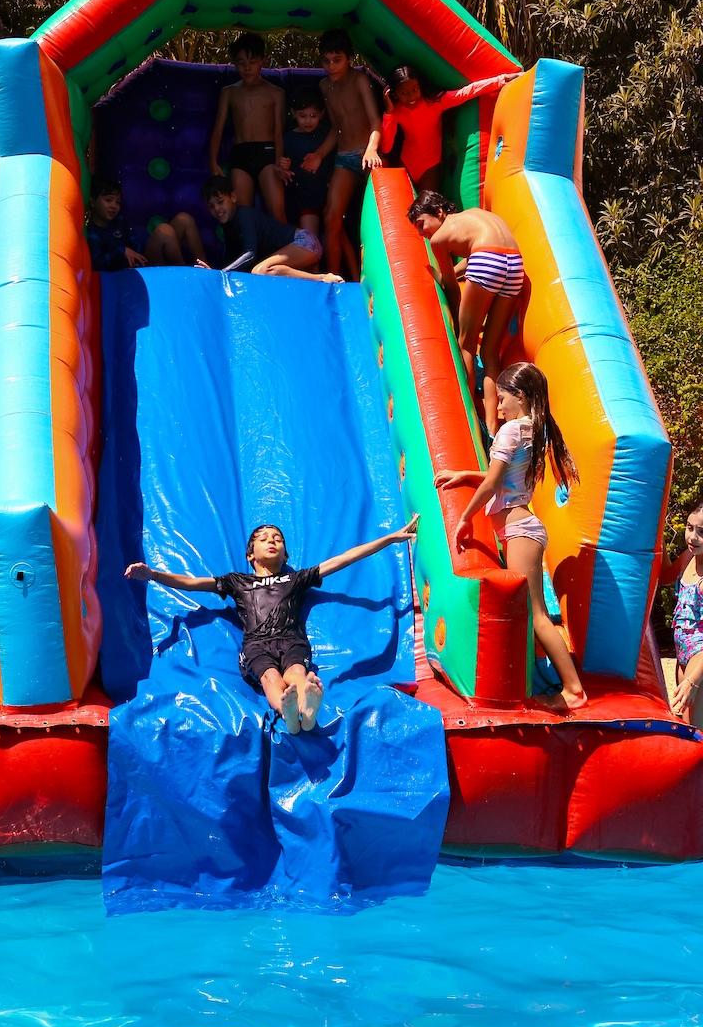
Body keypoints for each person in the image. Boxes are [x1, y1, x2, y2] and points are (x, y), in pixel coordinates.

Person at [125, 516, 419, 734]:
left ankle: (305, 709)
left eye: (278, 538)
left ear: (286, 555)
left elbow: (344, 559)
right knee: (269, 677)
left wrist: (389, 538)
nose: (272, 540)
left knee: (297, 672)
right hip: (256, 644)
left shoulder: (296, 578)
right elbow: (190, 583)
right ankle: (290, 713)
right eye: (264, 537)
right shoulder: (236, 582)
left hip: (292, 639)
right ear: (250, 554)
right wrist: (153, 574)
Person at [436, 362, 587, 713]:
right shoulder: (533, 429)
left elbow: (492, 483)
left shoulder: (509, 432)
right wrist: (466, 473)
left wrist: (464, 517)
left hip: (520, 530)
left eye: (502, 398)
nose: (498, 407)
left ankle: (574, 690)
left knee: (536, 615)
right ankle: (568, 685)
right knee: (533, 613)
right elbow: (502, 477)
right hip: (524, 527)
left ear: (520, 396)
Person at [409, 190, 523, 433]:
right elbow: (479, 256)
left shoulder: (438, 239)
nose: (422, 234)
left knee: (467, 346)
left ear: (439, 213)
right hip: (515, 263)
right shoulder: (475, 215)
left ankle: (470, 421)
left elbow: (451, 287)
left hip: (486, 261)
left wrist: (435, 277)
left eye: (421, 224)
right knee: (490, 351)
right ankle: (494, 428)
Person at [299, 30, 382, 281]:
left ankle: (375, 277)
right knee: (331, 216)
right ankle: (333, 276)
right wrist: (319, 155)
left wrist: (372, 148)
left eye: (337, 59)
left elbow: (376, 121)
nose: (331, 66)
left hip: (368, 155)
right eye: (326, 61)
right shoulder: (325, 86)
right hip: (345, 157)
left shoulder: (359, 80)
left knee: (373, 219)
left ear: (349, 58)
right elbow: (337, 129)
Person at [380, 64, 519, 193]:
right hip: (406, 162)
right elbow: (386, 147)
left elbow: (467, 92)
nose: (411, 97)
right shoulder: (397, 112)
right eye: (404, 93)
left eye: (415, 90)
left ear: (421, 87)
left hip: (430, 166)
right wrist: (389, 113)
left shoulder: (434, 103)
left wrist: (502, 80)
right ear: (394, 94)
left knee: (426, 206)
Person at [198, 175, 343, 282]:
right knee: (262, 270)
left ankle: (323, 278)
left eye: (220, 202)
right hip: (299, 249)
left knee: (261, 270)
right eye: (211, 206)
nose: (217, 209)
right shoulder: (228, 225)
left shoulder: (243, 215)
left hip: (304, 242)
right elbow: (231, 258)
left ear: (233, 197)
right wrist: (213, 272)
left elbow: (250, 253)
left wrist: (221, 273)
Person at [208, 32, 287, 222]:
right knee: (241, 214)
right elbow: (218, 129)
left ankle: (288, 251)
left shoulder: (275, 93)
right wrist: (213, 161)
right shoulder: (229, 92)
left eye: (252, 61)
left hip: (267, 152)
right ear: (234, 63)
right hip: (241, 153)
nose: (247, 68)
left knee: (277, 212)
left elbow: (279, 133)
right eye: (241, 62)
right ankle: (249, 252)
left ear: (263, 61)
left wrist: (278, 162)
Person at [87, 176, 207, 270]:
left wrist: (135, 254)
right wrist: (121, 252)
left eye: (117, 202)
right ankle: (184, 273)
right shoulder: (92, 232)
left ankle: (206, 269)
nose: (114, 206)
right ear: (92, 201)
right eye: (108, 200)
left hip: (143, 263)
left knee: (184, 219)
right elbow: (96, 263)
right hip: (128, 275)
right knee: (163, 230)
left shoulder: (120, 222)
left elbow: (137, 243)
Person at [659, 499, 703, 729]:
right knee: (687, 729)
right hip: (682, 654)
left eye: (702, 532)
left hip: (699, 658)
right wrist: (659, 539)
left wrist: (693, 682)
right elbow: (665, 577)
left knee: (698, 731)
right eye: (689, 527)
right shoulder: (688, 558)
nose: (692, 537)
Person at [276, 87, 335, 239]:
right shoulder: (289, 138)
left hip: (327, 195)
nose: (308, 121)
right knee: (309, 240)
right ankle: (314, 264)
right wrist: (285, 166)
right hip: (305, 200)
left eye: (313, 116)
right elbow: (287, 167)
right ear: (294, 113)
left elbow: (334, 161)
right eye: (303, 116)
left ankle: (349, 263)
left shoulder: (326, 135)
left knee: (337, 232)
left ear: (321, 114)